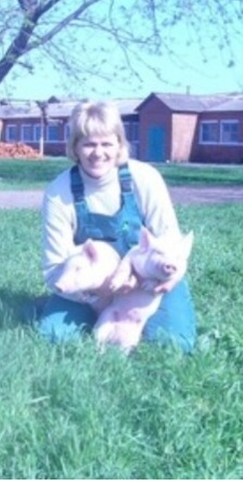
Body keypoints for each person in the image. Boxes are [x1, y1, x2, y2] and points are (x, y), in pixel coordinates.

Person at [37, 100, 196, 352]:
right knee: (55, 337)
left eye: (107, 144)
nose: (98, 153)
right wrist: (99, 295)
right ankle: (88, 316)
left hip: (150, 284)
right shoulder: (59, 193)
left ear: (120, 145)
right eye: (88, 143)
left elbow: (171, 244)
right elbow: (54, 267)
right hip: (88, 291)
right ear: (75, 147)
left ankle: (142, 323)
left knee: (173, 346)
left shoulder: (144, 179)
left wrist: (160, 281)